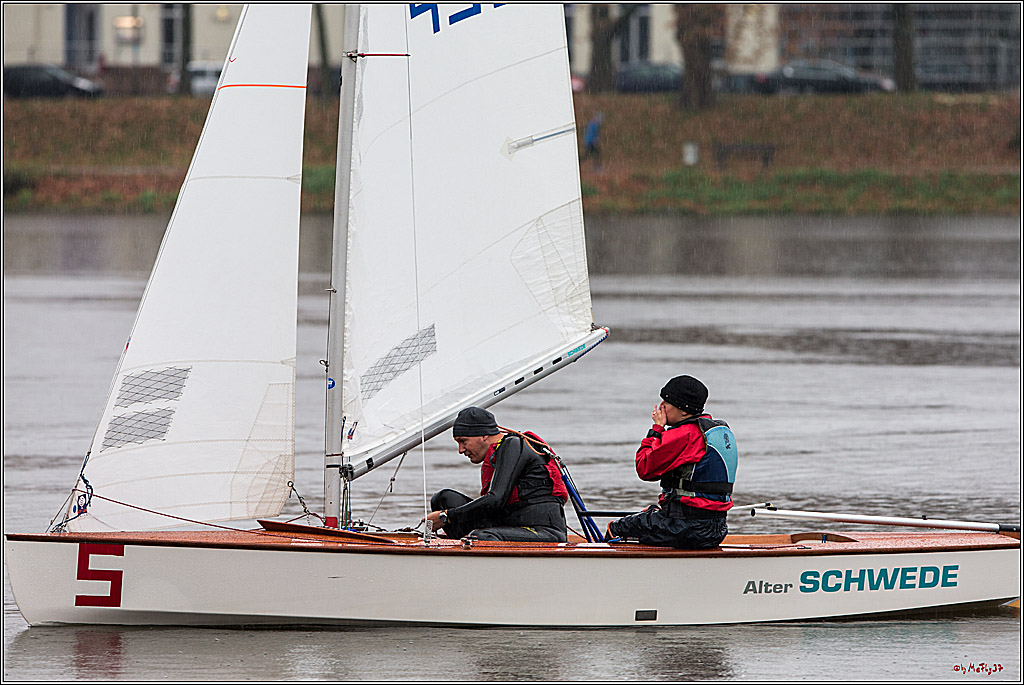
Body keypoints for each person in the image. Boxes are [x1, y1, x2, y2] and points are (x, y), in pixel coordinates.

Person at [606, 375, 737, 549]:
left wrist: (657, 429)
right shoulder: (717, 431)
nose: (661, 408)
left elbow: (644, 468)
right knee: (651, 513)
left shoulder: (684, 435)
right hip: (717, 528)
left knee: (616, 528)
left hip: (688, 528)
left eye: (666, 403)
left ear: (683, 410)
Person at [424, 406, 568, 542]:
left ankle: (471, 548)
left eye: (464, 441)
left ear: (484, 435)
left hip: (544, 531)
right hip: (509, 524)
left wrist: (446, 517)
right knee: (443, 499)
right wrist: (447, 514)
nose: (461, 450)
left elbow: (495, 499)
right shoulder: (500, 451)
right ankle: (461, 549)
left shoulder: (513, 445)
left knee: (480, 536)